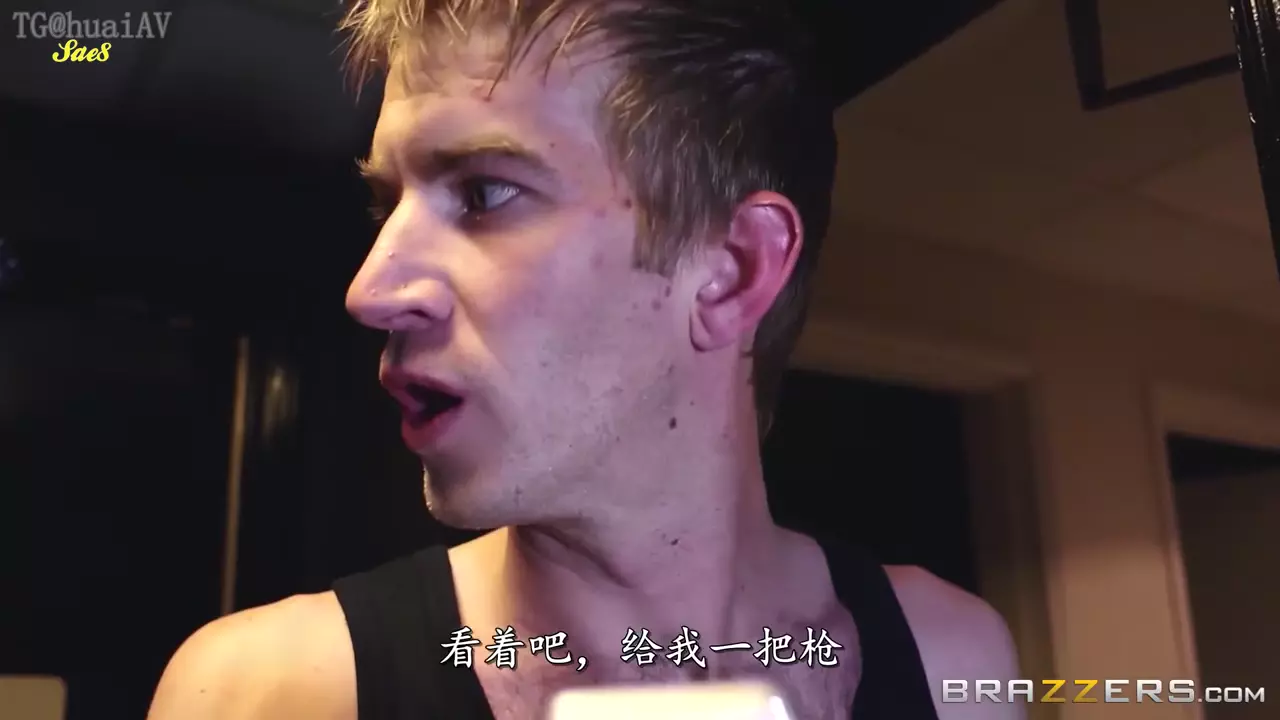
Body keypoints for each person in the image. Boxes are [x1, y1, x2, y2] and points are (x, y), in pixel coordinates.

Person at [147, 1, 1023, 718]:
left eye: (484, 193)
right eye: (387, 204)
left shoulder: (954, 661)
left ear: (731, 270)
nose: (371, 290)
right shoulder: (262, 694)